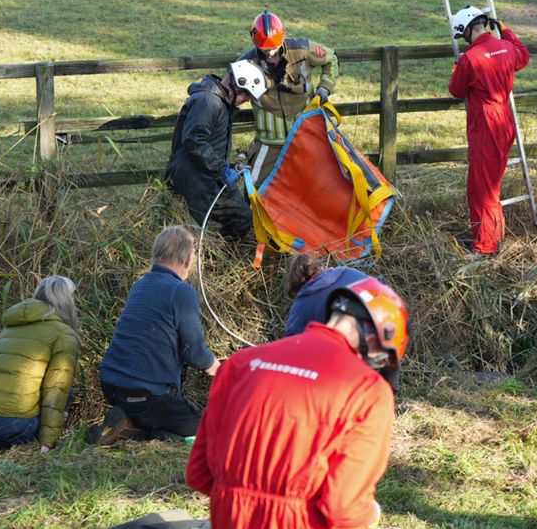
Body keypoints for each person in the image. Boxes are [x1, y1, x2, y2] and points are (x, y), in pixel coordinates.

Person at [186, 277, 409, 529]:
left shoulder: (241, 363)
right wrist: (369, 515)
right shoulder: (368, 391)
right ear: (375, 337)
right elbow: (344, 509)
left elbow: (199, 473)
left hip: (228, 516)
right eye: (380, 361)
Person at [91, 226, 220, 444]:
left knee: (153, 412)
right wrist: (218, 369)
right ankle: (136, 431)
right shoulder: (181, 291)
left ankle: (128, 421)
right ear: (188, 259)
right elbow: (193, 352)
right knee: (208, 430)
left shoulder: (140, 285)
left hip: (112, 386)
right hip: (147, 396)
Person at [447, 6, 530, 257]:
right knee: (492, 182)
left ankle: (485, 246)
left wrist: (456, 67)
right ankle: (495, 233)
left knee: (481, 187)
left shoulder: (470, 59)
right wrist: (506, 31)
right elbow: (524, 55)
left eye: (464, 36)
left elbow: (456, 89)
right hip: (506, 120)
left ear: (469, 30)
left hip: (486, 124)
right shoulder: (507, 47)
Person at [0, 276, 80, 451]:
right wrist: (47, 442)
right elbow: (55, 389)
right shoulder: (63, 333)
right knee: (64, 389)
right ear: (66, 300)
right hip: (10, 426)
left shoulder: (11, 326)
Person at [165, 59, 268, 238]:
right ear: (235, 85)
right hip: (193, 179)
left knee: (242, 216)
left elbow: (209, 142)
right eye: (246, 96)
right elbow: (194, 140)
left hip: (207, 175)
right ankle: (203, 256)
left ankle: (216, 253)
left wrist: (226, 166)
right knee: (189, 233)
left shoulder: (220, 102)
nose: (245, 101)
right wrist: (222, 169)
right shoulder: (208, 102)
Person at [237, 10, 338, 183]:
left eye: (273, 49)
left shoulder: (303, 49)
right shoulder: (244, 64)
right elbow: (231, 93)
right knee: (255, 191)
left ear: (283, 37)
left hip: (305, 138)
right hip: (268, 144)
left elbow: (331, 59)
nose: (270, 54)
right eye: (265, 49)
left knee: (314, 186)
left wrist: (325, 88)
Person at [281, 253, 374, 338]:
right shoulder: (350, 272)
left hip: (352, 343)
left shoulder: (301, 306)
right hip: (381, 323)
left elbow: (290, 340)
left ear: (296, 283)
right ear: (319, 266)